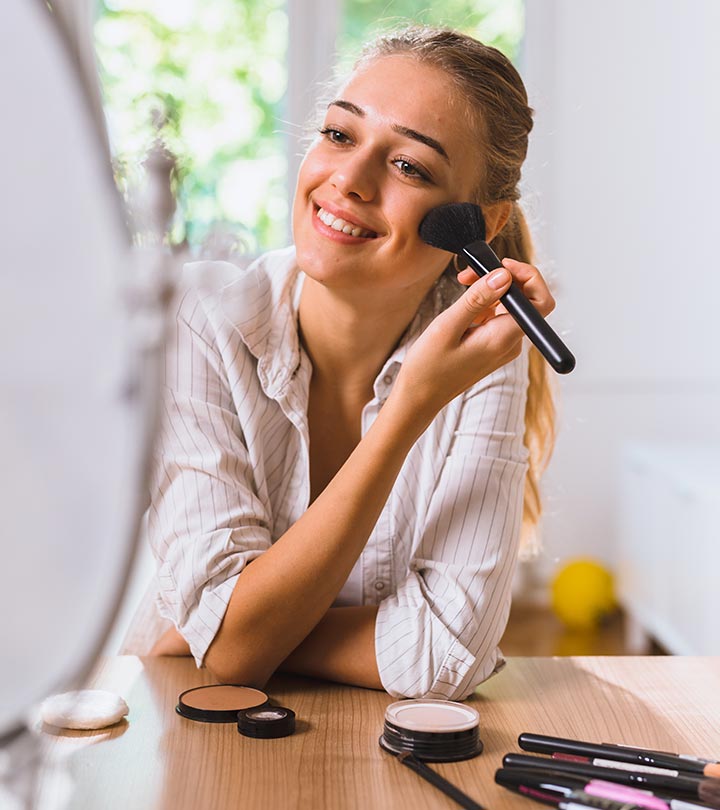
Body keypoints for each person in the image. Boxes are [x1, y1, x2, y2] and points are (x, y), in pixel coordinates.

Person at [139, 26, 556, 701]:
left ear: (477, 221)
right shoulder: (201, 321)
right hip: (180, 727)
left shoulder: (480, 347)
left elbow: (444, 653)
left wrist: (238, 631)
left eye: (410, 167)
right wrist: (235, 640)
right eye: (340, 134)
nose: (350, 180)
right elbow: (236, 656)